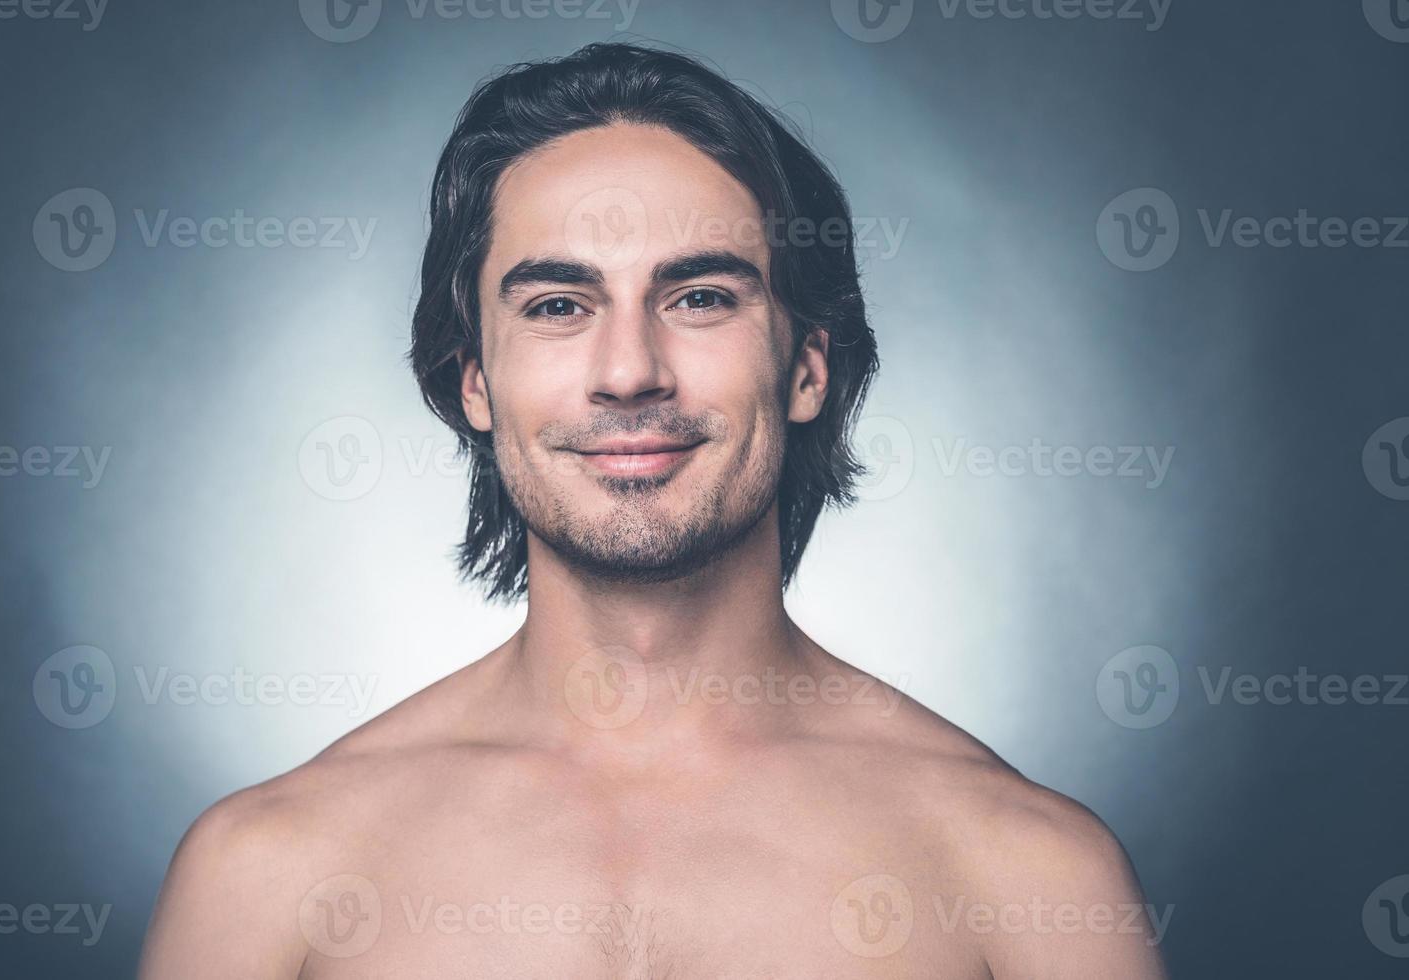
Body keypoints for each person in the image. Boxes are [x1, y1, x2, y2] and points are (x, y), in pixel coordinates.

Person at [139, 41, 1169, 978]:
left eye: (700, 296)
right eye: (556, 305)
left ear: (807, 365)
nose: (628, 370)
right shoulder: (267, 876)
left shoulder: (1027, 877)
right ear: (473, 383)